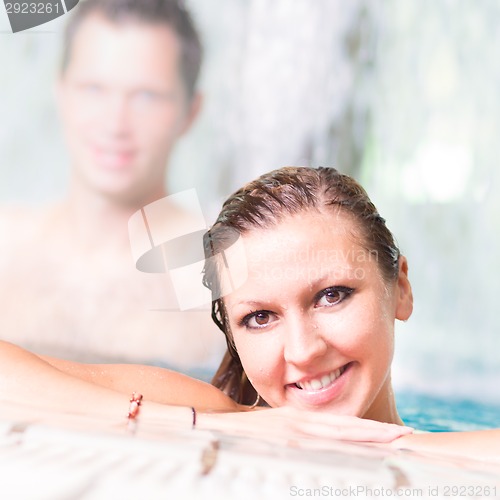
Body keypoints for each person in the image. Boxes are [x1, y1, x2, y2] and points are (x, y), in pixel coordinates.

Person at [0, 166, 497, 458]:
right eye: (259, 317)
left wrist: (401, 447)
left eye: (332, 295)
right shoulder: (214, 414)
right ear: (232, 335)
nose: (303, 351)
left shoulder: (453, 452)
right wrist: (217, 426)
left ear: (401, 290)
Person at [0, 0, 225, 373]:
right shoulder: (4, 243)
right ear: (61, 94)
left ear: (191, 112)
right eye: (94, 89)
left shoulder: (221, 276)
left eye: (147, 96)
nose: (115, 123)